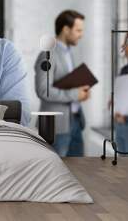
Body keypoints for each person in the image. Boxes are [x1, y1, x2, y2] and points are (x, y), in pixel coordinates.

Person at [34, 10, 90, 156]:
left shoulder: (69, 53)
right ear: (66, 29)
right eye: (78, 30)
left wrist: (81, 92)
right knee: (56, 172)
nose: (81, 34)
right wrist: (74, 94)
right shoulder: (48, 54)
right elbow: (43, 90)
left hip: (76, 120)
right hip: (57, 126)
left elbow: (68, 84)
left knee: (78, 172)